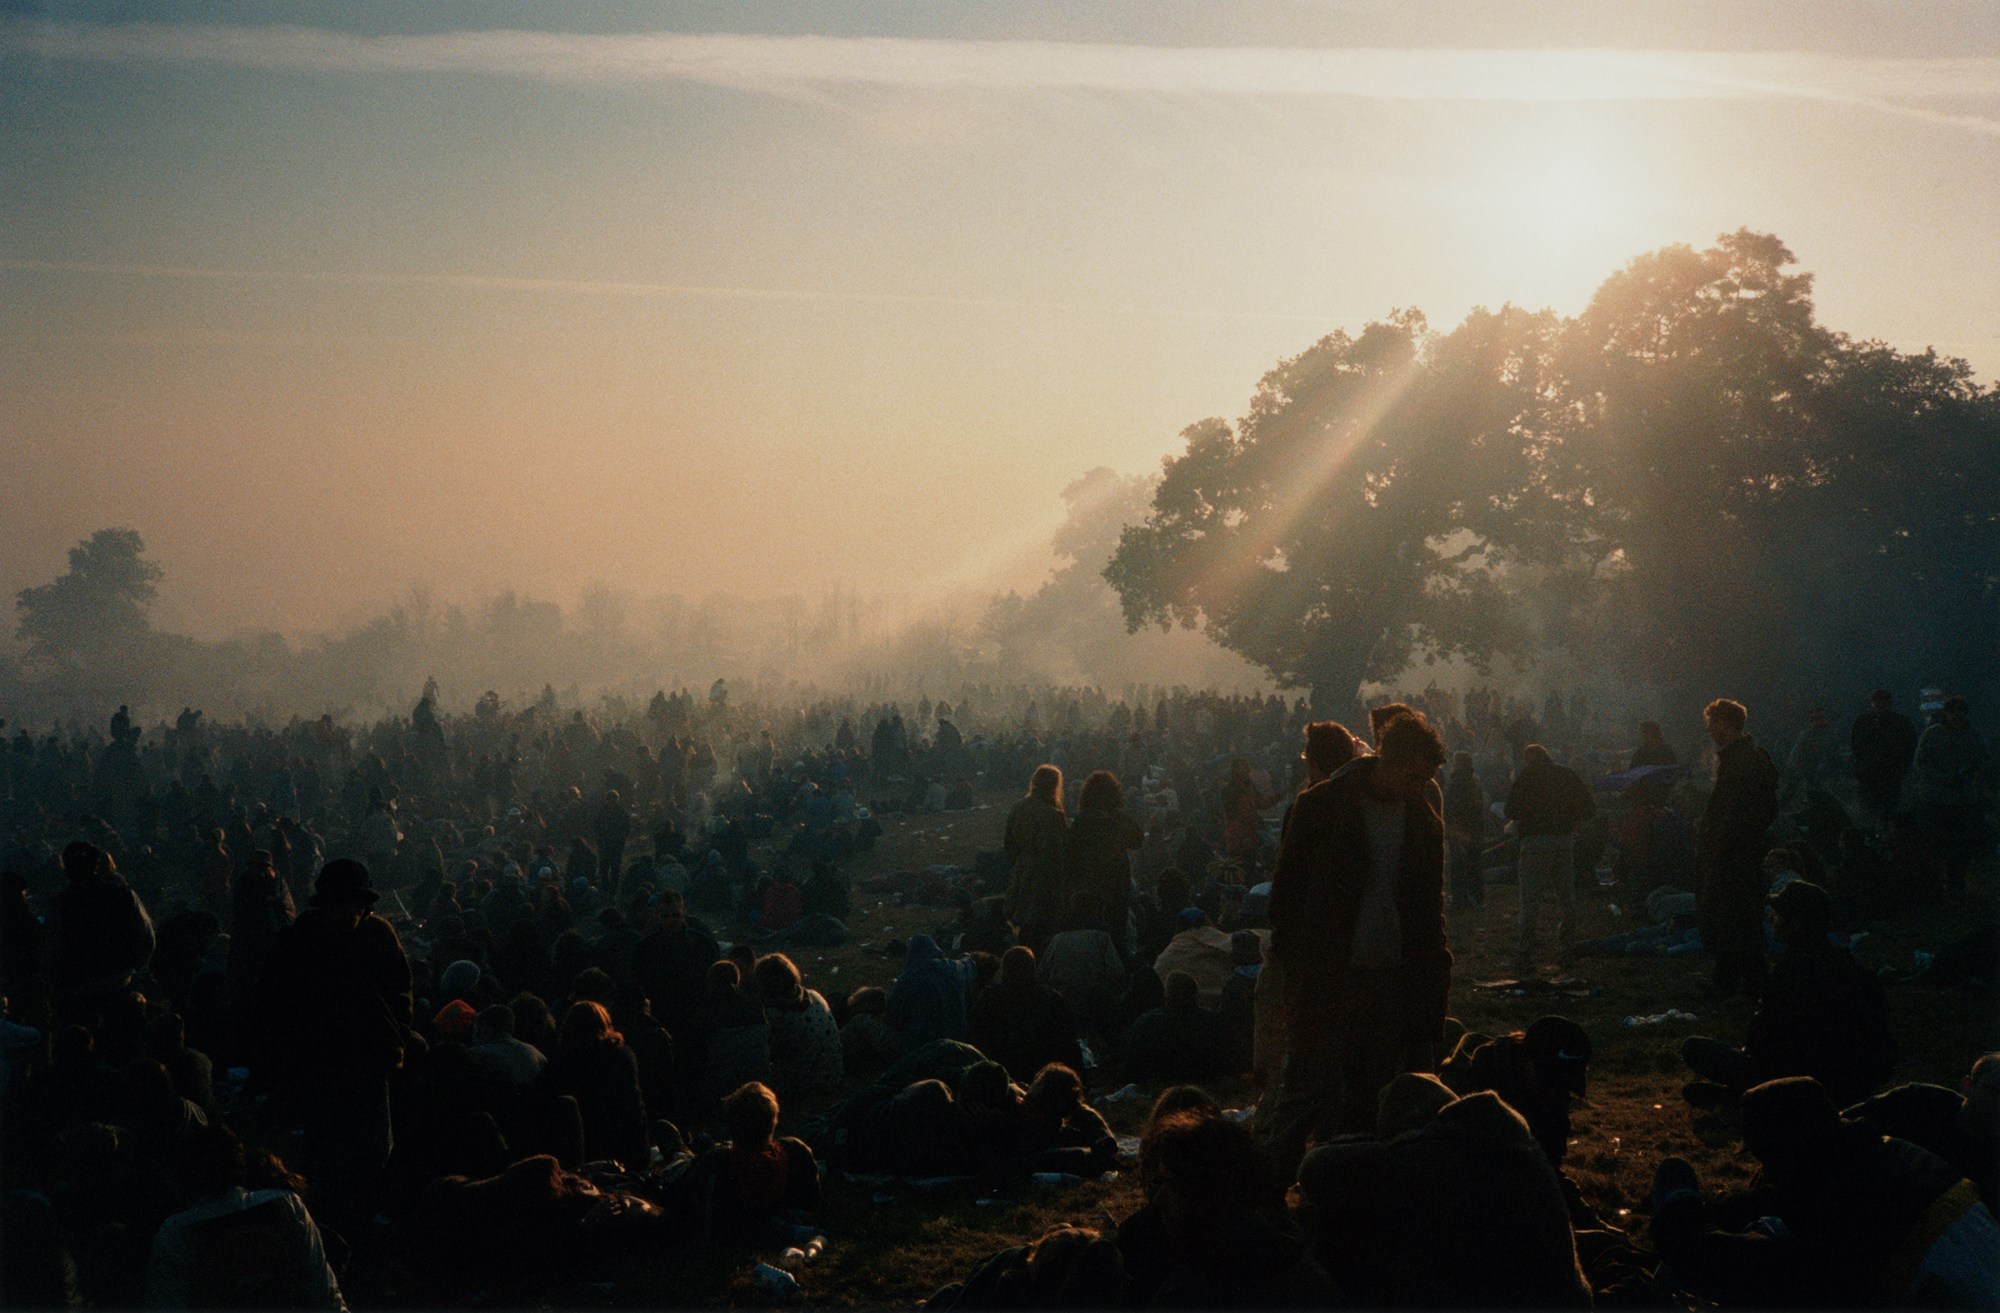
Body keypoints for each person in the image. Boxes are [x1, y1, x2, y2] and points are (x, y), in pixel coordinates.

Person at [1261, 710, 1452, 1180]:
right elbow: (1285, 897)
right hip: (1328, 976)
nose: (1421, 787)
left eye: (1426, 779)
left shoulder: (1424, 823)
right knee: (1303, 1092)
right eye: (1415, 776)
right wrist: (1297, 968)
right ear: (1389, 760)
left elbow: (1428, 914)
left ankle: (1342, 1192)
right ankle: (1263, 1192)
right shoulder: (1320, 807)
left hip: (1387, 978)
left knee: (1367, 1096)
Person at [1649, 1077, 2000, 1308]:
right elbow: (1788, 1199)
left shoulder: (1844, 1214)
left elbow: (1754, 1266)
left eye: (1765, 1157)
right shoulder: (1886, 1154)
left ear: (1783, 1151)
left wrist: (1680, 1215)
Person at [251, 858, 412, 1222]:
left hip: (369, 1061)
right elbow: (271, 1004)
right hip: (319, 1065)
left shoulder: (379, 935)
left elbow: (401, 993)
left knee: (375, 1149)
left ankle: (363, 1219)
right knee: (329, 1152)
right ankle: (337, 1223)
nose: (349, 911)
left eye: (354, 903)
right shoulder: (296, 942)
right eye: (341, 902)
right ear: (325, 903)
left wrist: (395, 1036)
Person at [1680, 880, 1896, 1107]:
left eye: (1778, 914)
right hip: (1854, 1082)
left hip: (1799, 1076)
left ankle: (1748, 1097)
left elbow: (1763, 1040)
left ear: (1796, 925)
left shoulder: (1791, 971)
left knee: (1694, 1048)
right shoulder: (1851, 967)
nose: (1772, 919)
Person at [1695, 698, 1780, 999]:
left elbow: (1732, 812)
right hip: (1745, 848)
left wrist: (1719, 843)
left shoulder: (1739, 763)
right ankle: (1741, 979)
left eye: (1712, 724)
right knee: (1741, 916)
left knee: (1734, 916)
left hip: (1733, 850)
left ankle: (1738, 980)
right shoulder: (1751, 758)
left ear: (1726, 724)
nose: (1710, 731)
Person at [1505, 745, 1597, 977]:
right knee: (1567, 897)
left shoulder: (1528, 776)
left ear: (1530, 759)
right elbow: (1588, 808)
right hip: (1563, 841)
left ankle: (1525, 952)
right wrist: (1569, 819)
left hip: (1535, 841)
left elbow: (1510, 810)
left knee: (1530, 899)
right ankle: (1566, 948)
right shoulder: (1566, 774)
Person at [536, 1000, 649, 1170]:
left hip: (580, 1147)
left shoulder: (562, 1059)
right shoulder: (622, 1055)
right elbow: (633, 1104)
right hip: (619, 1141)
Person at [967, 946, 1082, 1085]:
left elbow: (975, 1038)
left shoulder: (989, 999)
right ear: (1033, 968)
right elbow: (1070, 1042)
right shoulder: (1051, 998)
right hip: (1044, 1076)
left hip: (1003, 1077)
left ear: (1004, 970)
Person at [1914, 696, 1990, 897]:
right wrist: (1944, 778)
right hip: (1935, 799)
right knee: (1938, 843)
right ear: (1946, 713)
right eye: (1953, 711)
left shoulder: (1972, 736)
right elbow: (1921, 763)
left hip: (1962, 799)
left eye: (1960, 712)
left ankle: (1956, 883)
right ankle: (1938, 883)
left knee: (1961, 845)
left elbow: (1982, 760)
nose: (1957, 716)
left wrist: (1971, 774)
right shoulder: (1932, 734)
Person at [1058, 771, 1142, 943]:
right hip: (1117, 881)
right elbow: (1137, 841)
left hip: (1089, 883)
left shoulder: (1082, 820)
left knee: (1090, 928)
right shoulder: (1119, 819)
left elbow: (1070, 853)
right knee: (1116, 931)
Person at [754, 952, 843, 1098]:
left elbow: (766, 1054)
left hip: (803, 1087)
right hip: (832, 1075)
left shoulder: (774, 1016)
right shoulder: (814, 995)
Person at [1002, 766, 1068, 953]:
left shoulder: (1019, 807)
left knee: (1025, 922)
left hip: (1023, 870)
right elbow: (1057, 851)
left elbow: (1009, 842)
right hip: (1045, 875)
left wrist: (1020, 863)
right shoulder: (1052, 814)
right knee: (1042, 924)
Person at [1851, 689, 1918, 830]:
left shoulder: (1864, 721)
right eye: (1878, 704)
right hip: (1876, 776)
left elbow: (1909, 748)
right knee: (1877, 814)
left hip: (1886, 776)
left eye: (1883, 704)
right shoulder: (1900, 722)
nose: (1880, 708)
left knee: (1880, 814)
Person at [1443, 751, 1488, 911]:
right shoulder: (1475, 781)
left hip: (1460, 830)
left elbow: (1449, 808)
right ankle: (1478, 898)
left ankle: (1460, 900)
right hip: (1475, 829)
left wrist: (1452, 828)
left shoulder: (1456, 783)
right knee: (1475, 866)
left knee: (1458, 867)